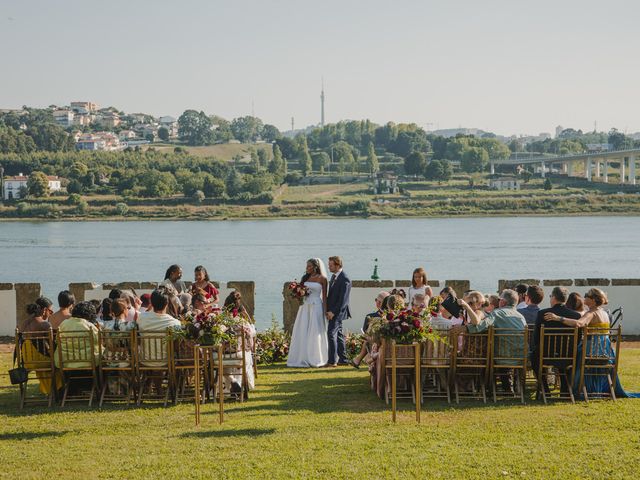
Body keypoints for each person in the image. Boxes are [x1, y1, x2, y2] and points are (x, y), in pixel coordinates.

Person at [543, 288, 639, 398]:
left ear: (593, 300)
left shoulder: (591, 313)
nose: (584, 298)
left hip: (590, 351)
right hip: (605, 351)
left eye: (586, 295)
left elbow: (579, 323)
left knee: (571, 356)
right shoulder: (604, 313)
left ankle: (572, 390)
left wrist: (558, 318)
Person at [458, 289, 526, 391]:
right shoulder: (521, 317)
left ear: (502, 302)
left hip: (502, 356)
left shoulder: (497, 313)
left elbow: (481, 325)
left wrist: (465, 328)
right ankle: (509, 389)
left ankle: (490, 389)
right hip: (521, 356)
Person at [532, 286, 581, 394]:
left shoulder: (542, 314)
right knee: (564, 362)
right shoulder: (575, 315)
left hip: (546, 355)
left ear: (553, 297)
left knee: (533, 357)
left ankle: (545, 390)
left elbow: (536, 338)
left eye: (550, 296)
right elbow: (578, 339)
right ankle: (565, 389)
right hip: (568, 355)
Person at [287, 258, 329, 368]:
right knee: (303, 330)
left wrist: (326, 311)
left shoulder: (322, 279)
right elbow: (300, 292)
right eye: (306, 266)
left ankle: (316, 357)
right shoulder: (305, 278)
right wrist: (298, 294)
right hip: (305, 307)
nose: (307, 268)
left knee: (315, 331)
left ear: (315, 267)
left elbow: (324, 297)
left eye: (309, 266)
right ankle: (302, 357)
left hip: (316, 306)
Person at [20, 297, 63, 395]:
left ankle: (50, 390)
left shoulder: (24, 323)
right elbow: (52, 346)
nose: (51, 314)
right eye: (51, 311)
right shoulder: (45, 325)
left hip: (27, 361)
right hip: (41, 361)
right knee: (60, 361)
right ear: (44, 310)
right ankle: (59, 391)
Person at [55, 302, 100, 371]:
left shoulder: (63, 324)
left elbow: (57, 340)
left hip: (65, 362)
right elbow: (98, 341)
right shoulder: (89, 326)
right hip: (88, 362)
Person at [351, 290, 389, 369]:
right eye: (376, 300)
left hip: (381, 344)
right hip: (375, 343)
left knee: (367, 339)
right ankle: (359, 359)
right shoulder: (370, 316)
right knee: (368, 338)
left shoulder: (390, 316)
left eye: (380, 301)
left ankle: (358, 359)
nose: (378, 303)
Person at [326, 255, 351, 367]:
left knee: (331, 333)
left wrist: (333, 312)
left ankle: (332, 361)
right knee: (339, 334)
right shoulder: (333, 277)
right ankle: (343, 359)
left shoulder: (344, 279)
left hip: (337, 312)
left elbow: (343, 300)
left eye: (331, 265)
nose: (329, 267)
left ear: (338, 265)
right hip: (333, 311)